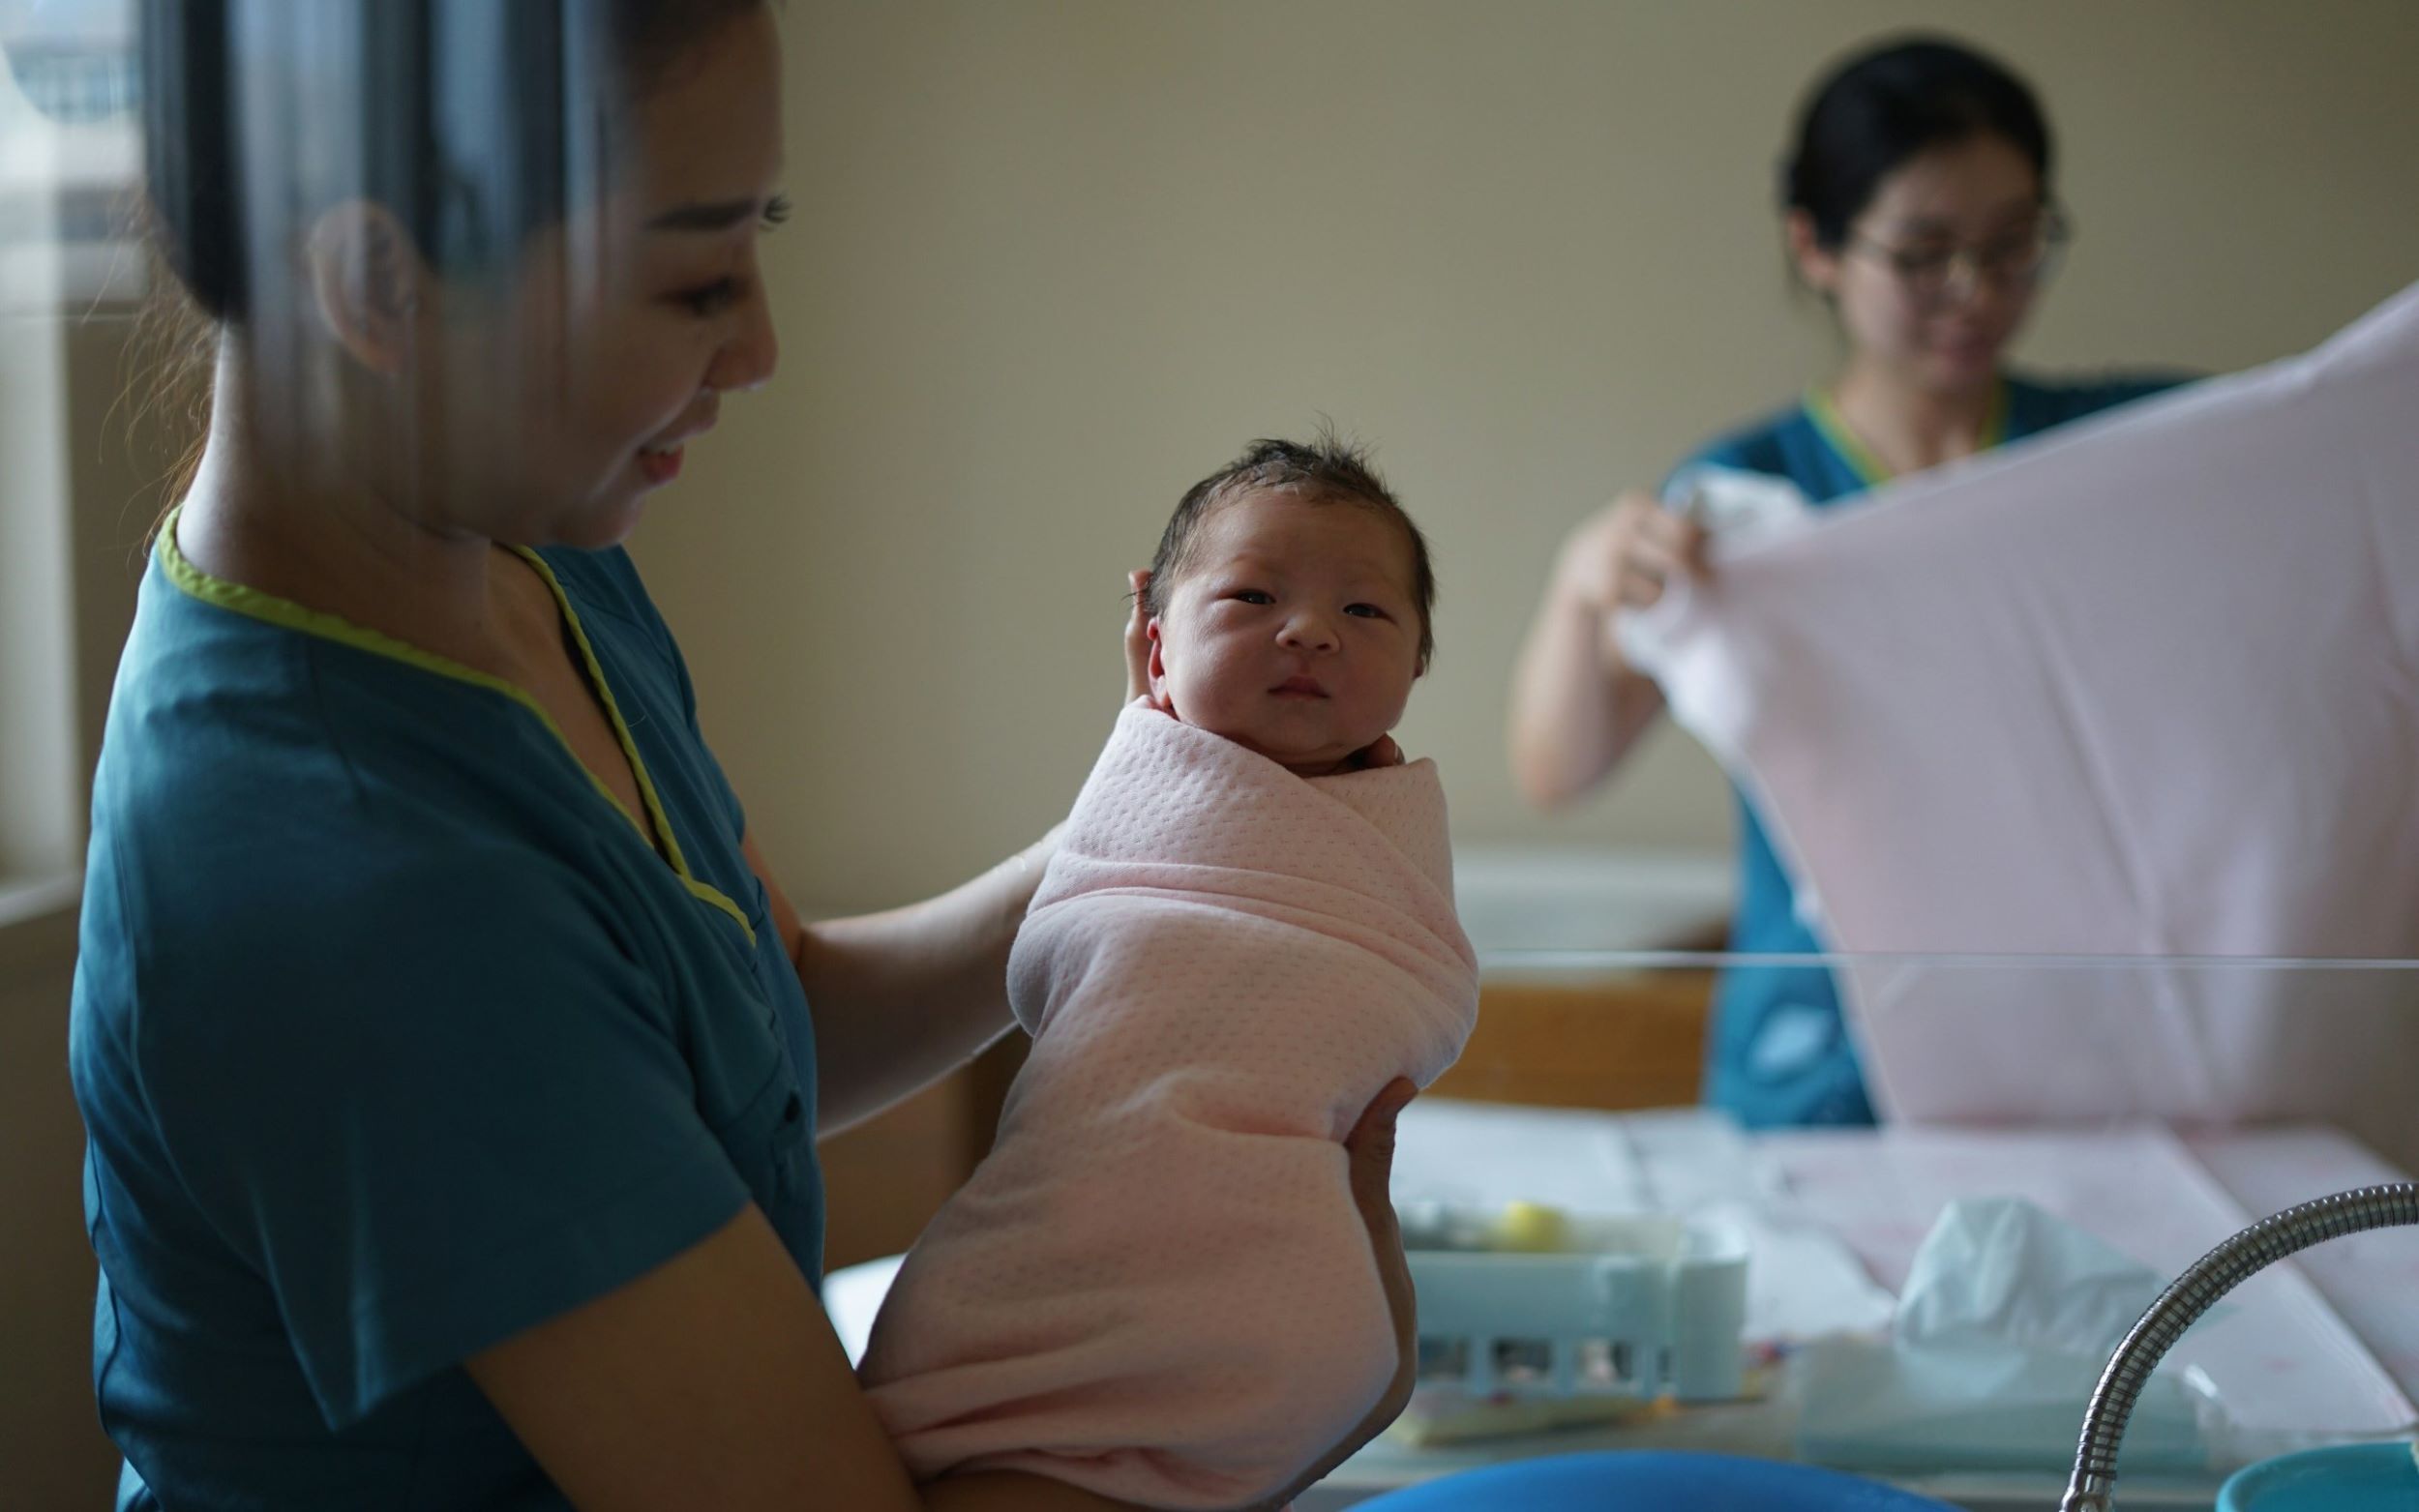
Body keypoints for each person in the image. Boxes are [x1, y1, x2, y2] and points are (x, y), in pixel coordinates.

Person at [70, 5, 1411, 1509]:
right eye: (695, 272)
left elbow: (766, 1030)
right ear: (379, 284)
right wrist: (1290, 1381)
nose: (761, 344)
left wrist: (1192, 825)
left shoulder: (505, 555)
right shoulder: (367, 886)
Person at [1507, 35, 2186, 1129]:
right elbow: (1559, 769)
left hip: (2084, 1058)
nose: (1973, 292)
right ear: (1815, 246)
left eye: (2013, 245)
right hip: (1814, 1062)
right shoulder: (1739, 499)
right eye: (1922, 254)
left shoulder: (2126, 456)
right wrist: (1580, 588)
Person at [860, 438, 1477, 1508]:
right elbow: (1089, 935)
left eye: (1366, 613)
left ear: (1418, 666)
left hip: (1290, 1313)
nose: (1309, 631)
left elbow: (1405, 999)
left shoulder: (1392, 852)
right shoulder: (1133, 809)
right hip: (1073, 1275)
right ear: (1154, 649)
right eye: (1250, 594)